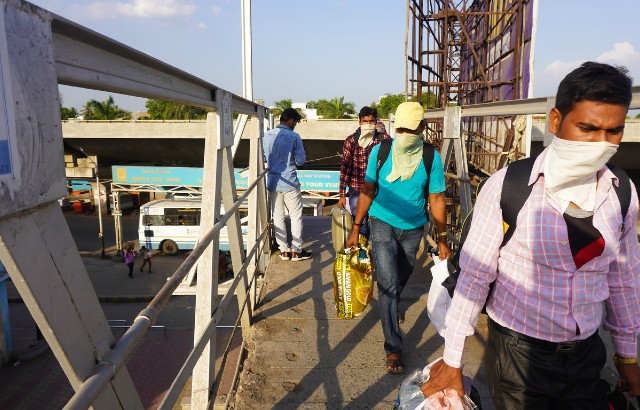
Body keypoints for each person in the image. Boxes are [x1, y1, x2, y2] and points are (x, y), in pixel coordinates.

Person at [421, 62, 640, 408]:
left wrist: (627, 356)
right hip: (519, 355)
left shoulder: (622, 194)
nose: (600, 143)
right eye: (588, 128)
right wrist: (453, 360)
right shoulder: (509, 187)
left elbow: (623, 280)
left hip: (587, 353)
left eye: (613, 132)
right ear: (555, 121)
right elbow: (476, 276)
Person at [346, 101, 451, 374]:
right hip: (381, 222)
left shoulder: (431, 157)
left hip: (414, 227)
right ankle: (393, 347)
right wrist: (356, 229)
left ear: (422, 128)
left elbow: (437, 198)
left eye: (409, 129)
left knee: (402, 274)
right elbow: (368, 189)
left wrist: (442, 238)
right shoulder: (381, 152)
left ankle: (390, 309)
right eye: (401, 128)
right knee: (388, 283)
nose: (405, 134)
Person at [263, 108, 312, 262]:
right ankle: (297, 250)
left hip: (272, 181)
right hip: (290, 182)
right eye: (295, 123)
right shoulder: (294, 136)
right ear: (290, 121)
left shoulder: (266, 135)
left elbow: (264, 157)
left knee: (277, 216)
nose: (295, 126)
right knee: (296, 216)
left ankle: (283, 250)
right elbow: (300, 161)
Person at [337, 106, 390, 240]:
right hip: (357, 189)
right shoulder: (351, 141)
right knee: (361, 224)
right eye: (365, 121)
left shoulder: (384, 140)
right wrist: (342, 194)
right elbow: (345, 168)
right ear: (359, 122)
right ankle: (362, 254)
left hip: (379, 190)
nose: (368, 124)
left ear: (376, 121)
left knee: (378, 224)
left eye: (371, 121)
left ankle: (374, 253)